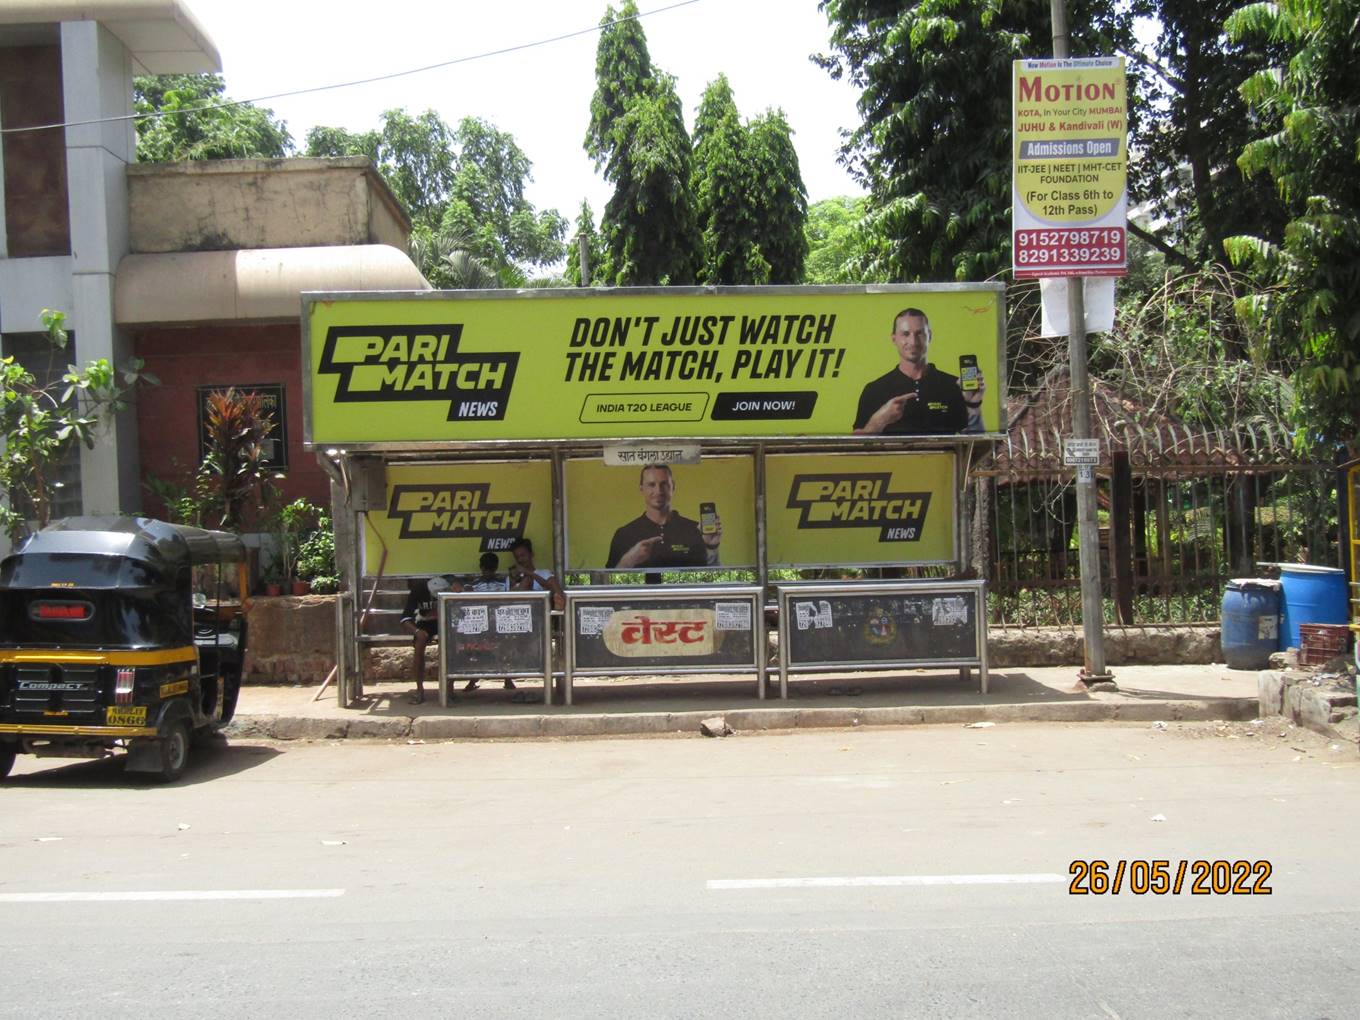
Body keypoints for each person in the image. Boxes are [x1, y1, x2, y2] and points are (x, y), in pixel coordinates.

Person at [853, 307, 985, 435]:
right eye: (905, 334)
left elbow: (977, 451)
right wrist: (880, 421)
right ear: (894, 339)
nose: (913, 341)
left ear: (930, 337)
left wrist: (973, 405)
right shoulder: (874, 390)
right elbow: (854, 453)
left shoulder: (953, 386)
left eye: (919, 333)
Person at [605, 463, 722, 570]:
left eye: (664, 484)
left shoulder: (695, 530)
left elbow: (712, 580)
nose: (659, 490)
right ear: (642, 489)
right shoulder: (624, 535)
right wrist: (628, 561)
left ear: (673, 487)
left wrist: (711, 547)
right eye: (651, 485)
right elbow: (607, 586)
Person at [461, 551, 513, 692]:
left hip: (499, 623)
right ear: (481, 568)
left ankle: (507, 678)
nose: (487, 572)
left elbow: (508, 601)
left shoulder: (504, 582)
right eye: (485, 568)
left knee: (503, 650)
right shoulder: (473, 585)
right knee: (476, 650)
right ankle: (473, 679)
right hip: (480, 625)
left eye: (490, 569)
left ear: (496, 568)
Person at [399, 573, 455, 704]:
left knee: (450, 647)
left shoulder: (449, 588)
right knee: (419, 644)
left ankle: (449, 690)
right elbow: (405, 618)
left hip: (445, 622)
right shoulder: (418, 590)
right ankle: (419, 690)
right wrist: (417, 631)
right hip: (424, 623)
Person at [508, 537, 564, 611]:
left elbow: (556, 592)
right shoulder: (512, 577)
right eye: (517, 557)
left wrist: (528, 573)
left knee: (551, 582)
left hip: (542, 611)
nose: (520, 560)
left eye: (522, 555)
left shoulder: (545, 573)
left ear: (531, 554)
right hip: (521, 613)